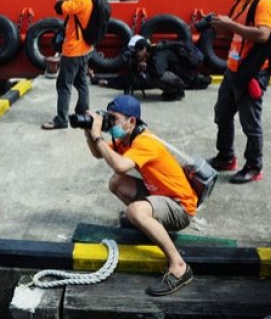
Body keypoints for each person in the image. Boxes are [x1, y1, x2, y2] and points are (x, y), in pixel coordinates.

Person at [84, 95, 197, 296]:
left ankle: (179, 267)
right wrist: (88, 131)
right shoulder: (125, 138)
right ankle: (148, 223)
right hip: (160, 195)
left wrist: (97, 136)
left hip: (180, 207)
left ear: (132, 121)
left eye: (114, 118)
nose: (110, 123)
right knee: (116, 182)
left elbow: (119, 164)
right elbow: (99, 153)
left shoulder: (145, 141)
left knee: (134, 211)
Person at [209, 0, 271, 183]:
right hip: (233, 69)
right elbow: (238, 32)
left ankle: (254, 167)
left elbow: (263, 34)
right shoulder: (240, 0)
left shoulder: (263, 3)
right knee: (222, 114)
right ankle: (226, 157)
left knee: (250, 123)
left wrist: (230, 25)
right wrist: (222, 27)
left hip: (251, 72)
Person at [42, 0, 103, 130]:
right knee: (81, 81)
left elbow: (59, 8)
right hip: (85, 48)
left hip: (73, 50)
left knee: (63, 84)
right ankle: (83, 111)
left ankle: (61, 120)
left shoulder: (82, 0)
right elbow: (72, 9)